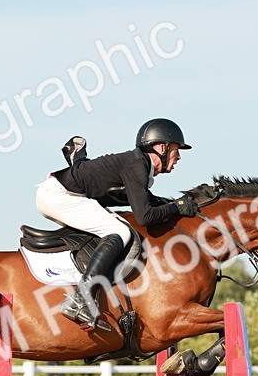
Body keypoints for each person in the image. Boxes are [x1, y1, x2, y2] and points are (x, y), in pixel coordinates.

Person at [36, 118, 201, 331]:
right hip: (59, 196)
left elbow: (146, 201)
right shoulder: (137, 165)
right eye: (176, 150)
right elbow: (145, 216)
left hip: (64, 193)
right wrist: (176, 207)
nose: (178, 157)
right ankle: (80, 299)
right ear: (162, 147)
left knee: (115, 227)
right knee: (120, 231)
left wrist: (172, 204)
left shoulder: (138, 164)